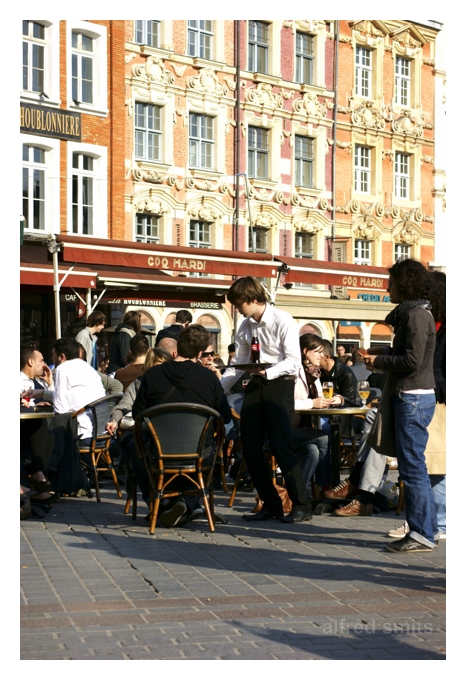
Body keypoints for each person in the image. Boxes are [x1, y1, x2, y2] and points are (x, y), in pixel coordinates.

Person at [220, 276, 313, 523]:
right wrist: (218, 389)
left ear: (252, 299)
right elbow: (237, 364)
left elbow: (294, 361)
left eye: (239, 303)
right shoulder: (245, 325)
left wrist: (268, 372)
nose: (237, 308)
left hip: (280, 384)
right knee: (249, 446)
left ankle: (301, 505)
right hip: (257, 383)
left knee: (281, 446)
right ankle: (271, 504)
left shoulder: (283, 320)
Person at [365, 259, 437, 553]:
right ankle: (424, 531)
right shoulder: (415, 314)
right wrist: (385, 351)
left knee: (413, 468)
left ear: (404, 284)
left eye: (391, 282)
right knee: (412, 467)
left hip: (412, 397)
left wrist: (378, 361)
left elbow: (413, 361)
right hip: (412, 395)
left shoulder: (416, 316)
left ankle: (421, 533)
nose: (387, 287)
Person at [132, 324, 232, 527]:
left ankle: (166, 504)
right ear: (200, 352)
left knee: (136, 449)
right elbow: (226, 417)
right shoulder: (208, 378)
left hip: (160, 451)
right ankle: (186, 503)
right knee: (204, 452)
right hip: (197, 453)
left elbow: (137, 414)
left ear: (178, 347)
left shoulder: (152, 375)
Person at [292, 333, 329, 495]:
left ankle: (296, 494)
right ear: (305, 351)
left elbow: (320, 396)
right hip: (284, 429)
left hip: (301, 429)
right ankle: (325, 488)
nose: (322, 355)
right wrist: (312, 403)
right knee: (324, 438)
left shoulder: (314, 374)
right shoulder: (292, 371)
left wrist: (332, 400)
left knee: (313, 451)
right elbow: (284, 404)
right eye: (318, 352)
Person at [53, 337, 106, 440]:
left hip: (81, 434)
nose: (51, 358)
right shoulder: (89, 368)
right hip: (101, 433)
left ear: (62, 357)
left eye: (53, 354)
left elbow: (60, 410)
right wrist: (42, 393)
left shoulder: (61, 369)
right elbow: (76, 396)